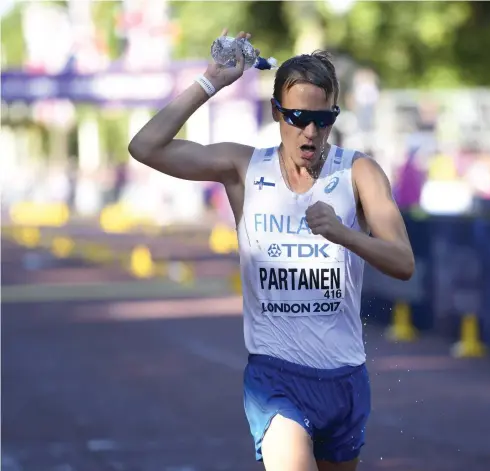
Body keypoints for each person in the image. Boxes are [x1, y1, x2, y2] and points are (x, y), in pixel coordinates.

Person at [128, 30, 415, 471]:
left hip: (345, 378)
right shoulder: (244, 167)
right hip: (275, 376)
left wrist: (346, 235)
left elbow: (403, 263)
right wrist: (211, 81)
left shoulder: (359, 172)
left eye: (323, 119)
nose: (310, 131)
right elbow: (145, 147)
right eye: (297, 116)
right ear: (277, 112)